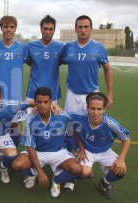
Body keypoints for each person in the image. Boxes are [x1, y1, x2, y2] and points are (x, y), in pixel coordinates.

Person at [61, 15, 114, 190]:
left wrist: (110, 94)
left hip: (92, 96)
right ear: (75, 29)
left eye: (86, 27)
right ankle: (71, 165)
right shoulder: (68, 47)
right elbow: (55, 63)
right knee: (70, 129)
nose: (82, 30)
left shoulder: (99, 48)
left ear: (91, 28)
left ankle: (90, 159)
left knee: (89, 129)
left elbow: (107, 70)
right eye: (79, 27)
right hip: (72, 94)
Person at [11, 87, 81, 197]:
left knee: (77, 169)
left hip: (58, 152)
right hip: (38, 152)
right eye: (39, 102)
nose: (42, 105)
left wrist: (81, 149)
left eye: (45, 102)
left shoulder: (62, 115)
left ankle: (56, 180)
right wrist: (40, 171)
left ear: (51, 102)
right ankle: (33, 173)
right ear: (35, 102)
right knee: (16, 165)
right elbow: (30, 147)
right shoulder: (30, 119)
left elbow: (79, 125)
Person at [0, 15, 28, 168]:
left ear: (15, 28)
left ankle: (12, 155)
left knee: (14, 125)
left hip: (15, 94)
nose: (8, 30)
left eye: (11, 27)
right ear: (1, 28)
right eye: (6, 26)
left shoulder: (22, 48)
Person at [72, 92, 130, 199]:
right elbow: (70, 124)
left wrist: (121, 159)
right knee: (84, 172)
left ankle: (104, 183)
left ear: (104, 109)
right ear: (87, 108)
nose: (96, 112)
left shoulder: (111, 123)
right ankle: (74, 176)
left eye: (99, 109)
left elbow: (126, 138)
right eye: (92, 108)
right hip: (86, 150)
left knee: (121, 171)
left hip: (104, 151)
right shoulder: (79, 117)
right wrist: (80, 148)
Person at [26, 15, 64, 105]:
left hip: (52, 94)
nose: (48, 32)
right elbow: (29, 62)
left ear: (54, 31)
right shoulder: (31, 46)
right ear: (41, 29)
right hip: (33, 93)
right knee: (31, 119)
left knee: (52, 119)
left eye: (51, 29)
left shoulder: (60, 47)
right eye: (45, 29)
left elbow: (61, 61)